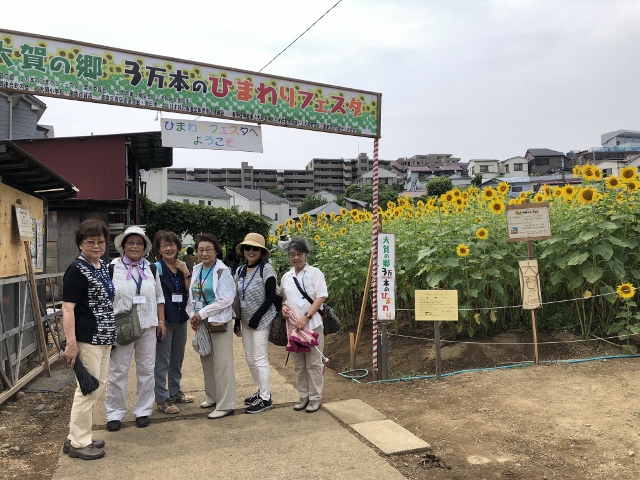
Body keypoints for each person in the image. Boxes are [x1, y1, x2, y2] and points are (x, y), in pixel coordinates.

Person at [62, 219, 115, 460]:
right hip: (87, 337)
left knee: (97, 387)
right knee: (87, 390)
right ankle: (78, 442)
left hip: (104, 336)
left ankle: (78, 435)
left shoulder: (101, 266)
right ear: (80, 244)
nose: (96, 246)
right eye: (90, 241)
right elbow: (67, 308)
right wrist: (71, 343)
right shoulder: (76, 269)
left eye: (100, 241)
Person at [105, 226, 165, 431]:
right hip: (122, 326)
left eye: (139, 243)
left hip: (147, 325)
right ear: (123, 246)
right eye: (130, 243)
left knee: (146, 370)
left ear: (145, 247)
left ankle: (143, 410)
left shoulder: (151, 268)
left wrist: (161, 321)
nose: (134, 246)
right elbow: (106, 299)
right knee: (118, 371)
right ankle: (114, 413)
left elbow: (159, 296)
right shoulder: (112, 268)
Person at [186, 233, 237, 419]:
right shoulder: (197, 269)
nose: (204, 253)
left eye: (209, 249)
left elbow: (226, 299)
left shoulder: (223, 271)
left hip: (218, 320)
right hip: (201, 320)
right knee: (206, 358)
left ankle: (226, 404)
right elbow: (192, 296)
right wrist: (193, 316)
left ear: (216, 251)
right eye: (201, 250)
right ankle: (212, 396)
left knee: (223, 362)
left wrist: (202, 314)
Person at [280, 237, 328, 413]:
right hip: (294, 328)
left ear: (306, 255)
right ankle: (303, 396)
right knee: (299, 364)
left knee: (314, 363)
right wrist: (283, 307)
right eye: (292, 254)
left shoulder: (315, 273)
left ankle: (315, 398)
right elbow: (283, 297)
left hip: (312, 326)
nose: (296, 258)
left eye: (299, 254)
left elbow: (321, 296)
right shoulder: (287, 276)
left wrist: (306, 317)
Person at [234, 233, 277, 414]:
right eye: (247, 248)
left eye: (255, 248)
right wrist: (237, 320)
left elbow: (271, 296)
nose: (251, 251)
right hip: (246, 321)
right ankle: (260, 391)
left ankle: (266, 398)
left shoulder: (266, 269)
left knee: (260, 358)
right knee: (250, 358)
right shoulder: (239, 271)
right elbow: (237, 298)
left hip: (262, 320)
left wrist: (257, 317)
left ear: (261, 251)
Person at [153, 230, 194, 415]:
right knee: (162, 360)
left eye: (172, 244)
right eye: (164, 245)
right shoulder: (156, 268)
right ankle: (162, 399)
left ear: (178, 246)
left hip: (181, 318)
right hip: (165, 320)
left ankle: (175, 391)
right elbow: (155, 295)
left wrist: (186, 273)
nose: (168, 248)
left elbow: (190, 292)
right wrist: (159, 320)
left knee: (177, 358)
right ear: (159, 249)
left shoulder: (184, 266)